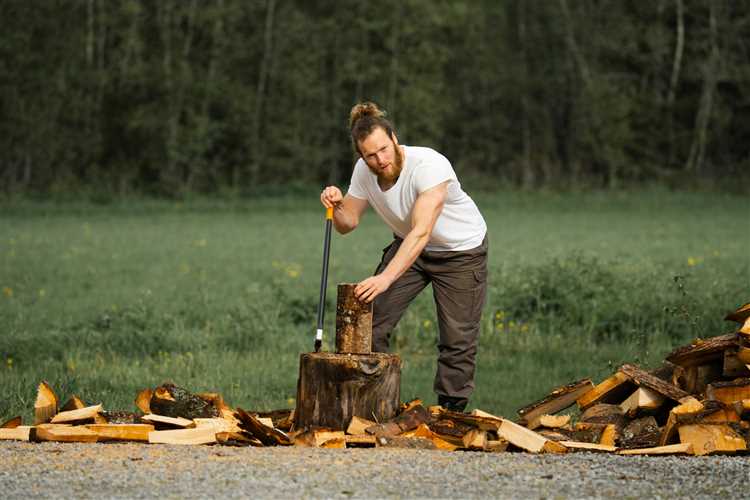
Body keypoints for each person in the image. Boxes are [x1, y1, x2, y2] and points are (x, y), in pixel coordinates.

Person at [319, 102, 488, 412]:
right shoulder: (364, 172)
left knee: (456, 339)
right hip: (409, 246)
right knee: (368, 323)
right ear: (361, 156)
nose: (380, 160)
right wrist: (336, 204)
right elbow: (347, 224)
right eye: (370, 155)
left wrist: (386, 277)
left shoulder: (429, 166)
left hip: (459, 253)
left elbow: (422, 232)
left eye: (384, 149)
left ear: (394, 138)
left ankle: (449, 413)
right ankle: (374, 406)